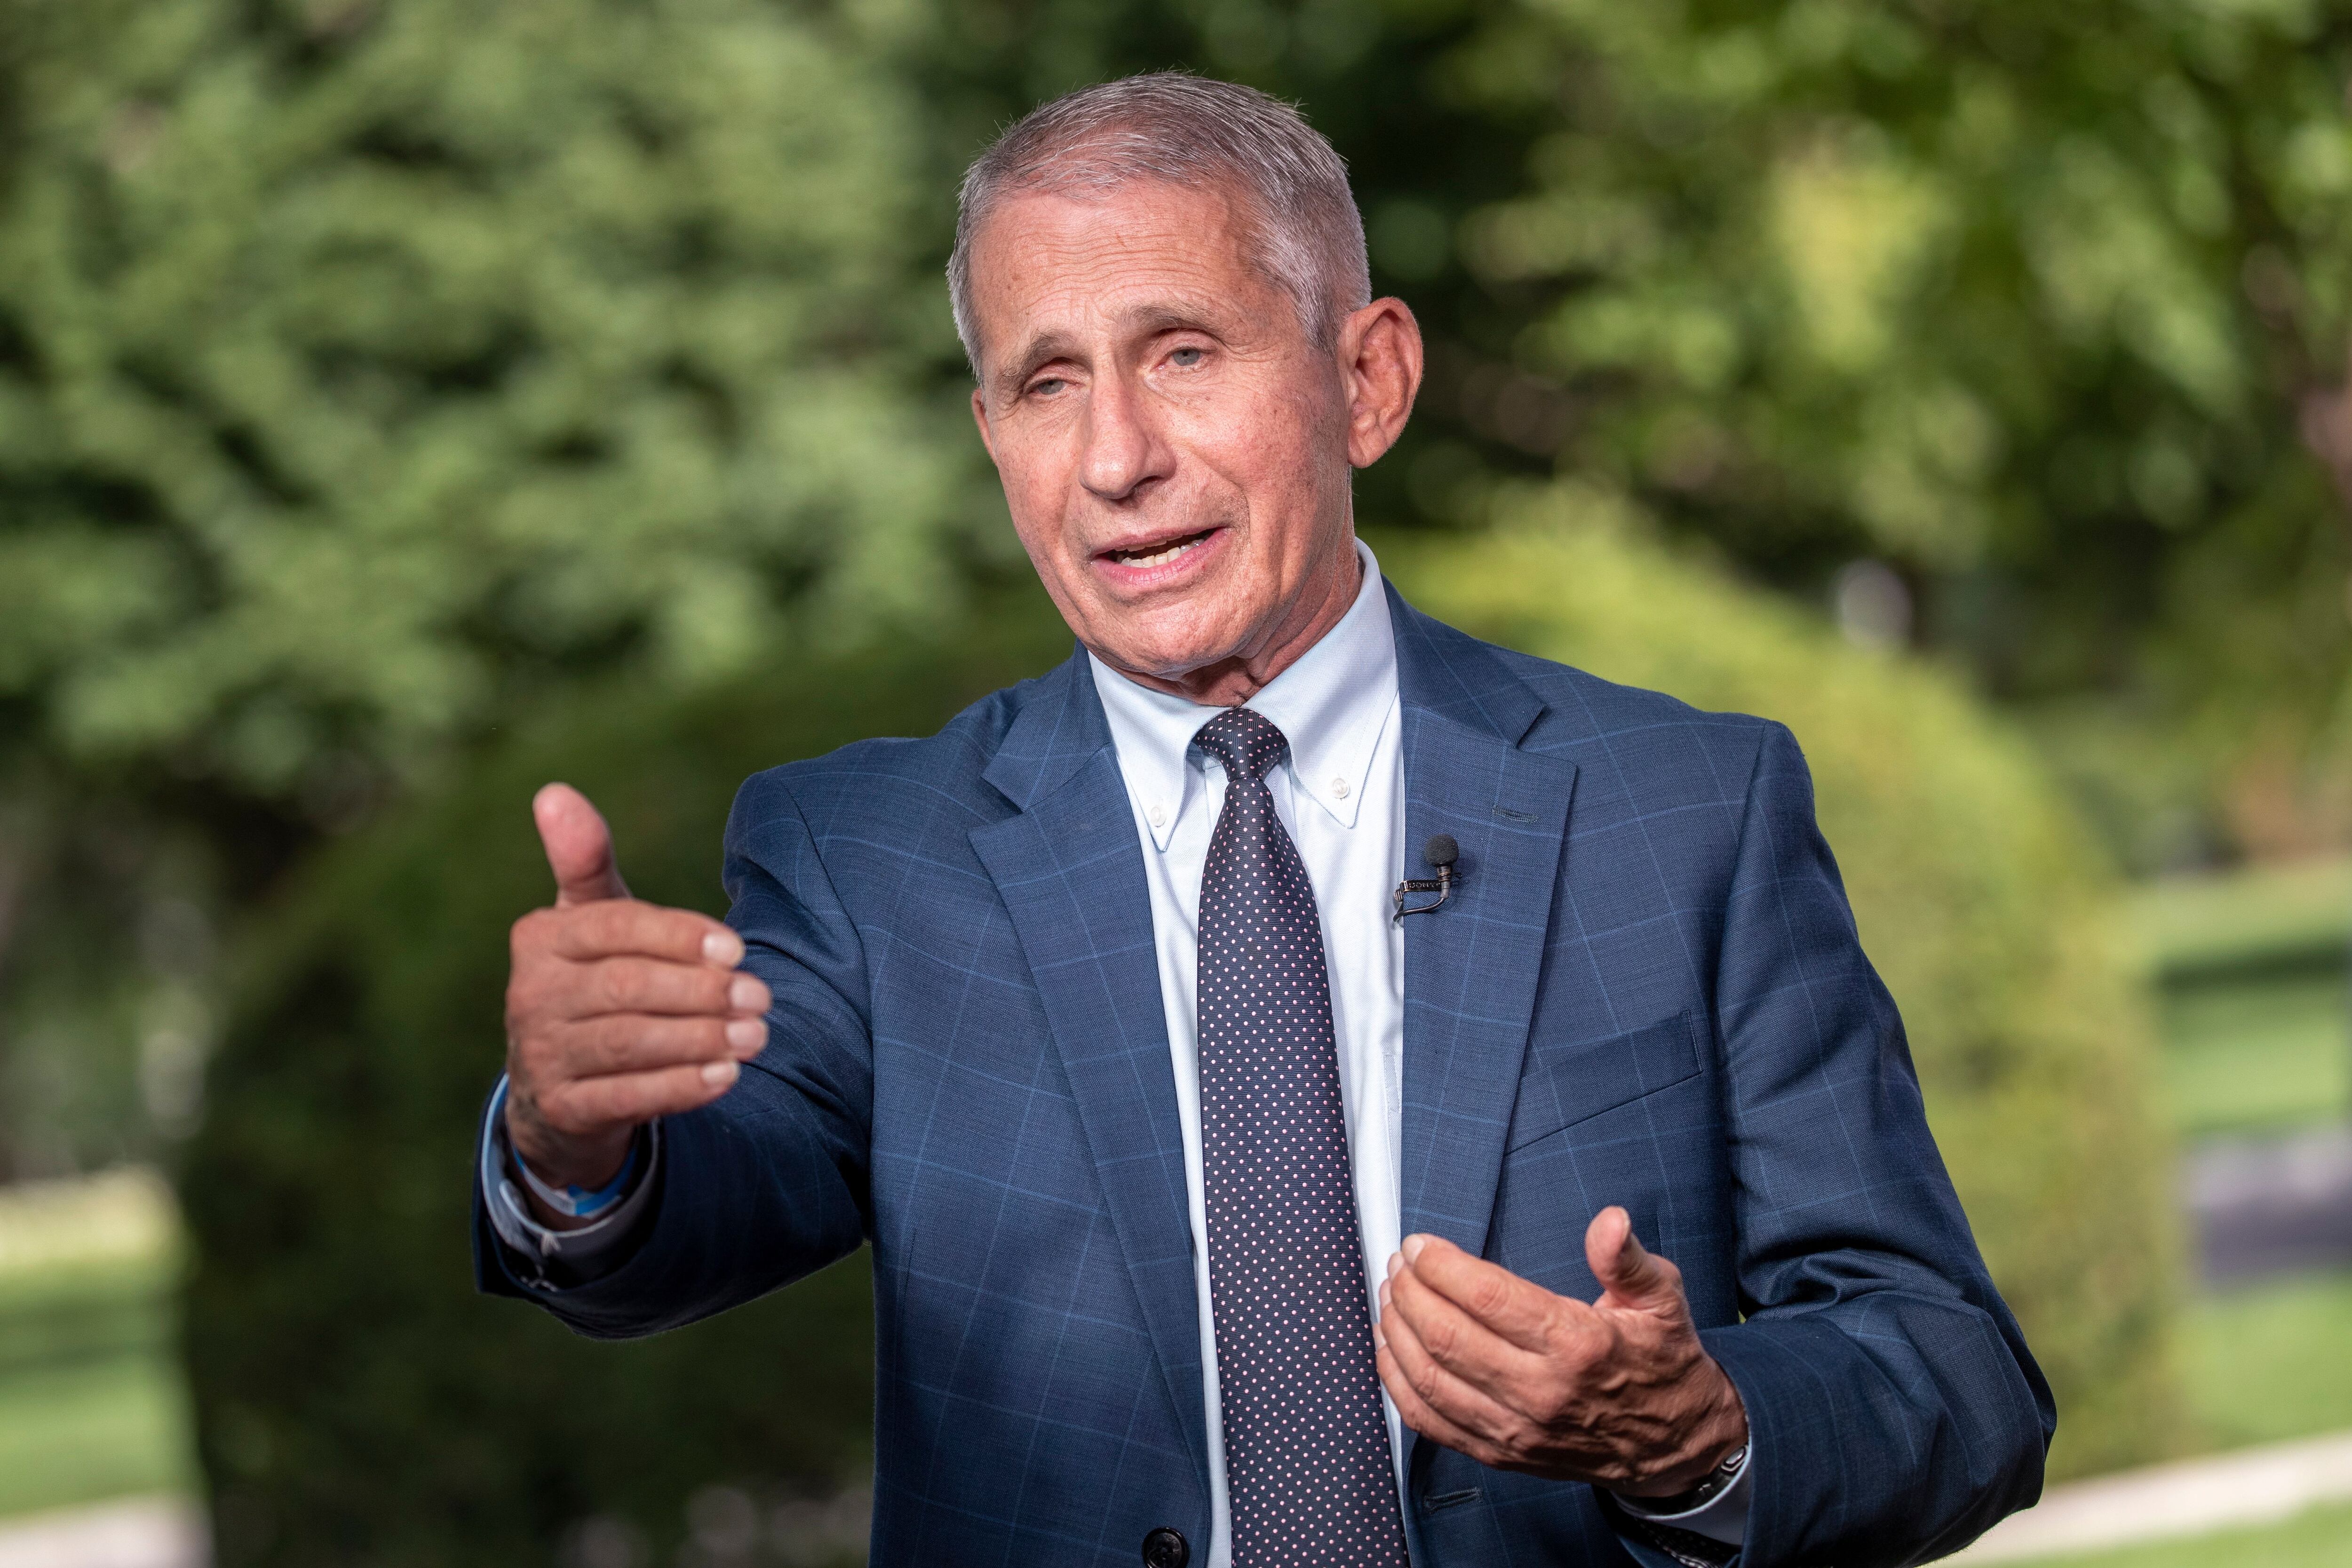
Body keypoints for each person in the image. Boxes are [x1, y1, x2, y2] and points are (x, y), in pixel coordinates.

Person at [476, 73, 2051, 1568]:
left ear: (1368, 380)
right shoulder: (868, 855)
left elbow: (1953, 1378)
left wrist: (1693, 1437)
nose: (1117, 460)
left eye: (1183, 353)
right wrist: (574, 1136)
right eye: (1048, 383)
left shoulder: (1686, 812)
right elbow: (692, 1213)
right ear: (993, 437)